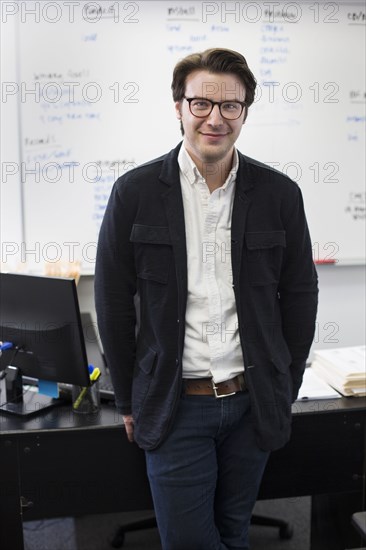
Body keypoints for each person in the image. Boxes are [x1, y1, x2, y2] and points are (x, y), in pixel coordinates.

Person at [95, 48, 318, 550]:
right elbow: (111, 298)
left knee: (234, 533)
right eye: (201, 103)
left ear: (244, 113)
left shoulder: (280, 194)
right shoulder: (134, 192)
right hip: (176, 405)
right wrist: (129, 398)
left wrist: (286, 383)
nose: (215, 118)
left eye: (230, 106)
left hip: (252, 402)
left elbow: (300, 293)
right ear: (179, 108)